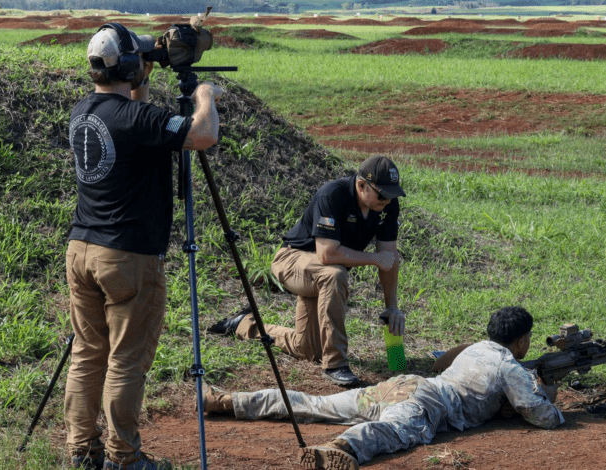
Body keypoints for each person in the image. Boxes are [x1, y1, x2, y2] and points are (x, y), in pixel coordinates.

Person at [65, 23, 223, 470]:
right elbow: (203, 135)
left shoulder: (84, 111)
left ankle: (83, 452)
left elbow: (131, 114)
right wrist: (204, 94)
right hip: (128, 257)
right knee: (126, 362)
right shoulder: (140, 120)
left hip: (81, 249)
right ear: (130, 66)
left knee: (87, 355)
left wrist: (143, 70)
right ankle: (124, 458)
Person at [201, 306, 565, 470]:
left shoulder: (476, 348)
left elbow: (441, 365)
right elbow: (541, 416)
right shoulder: (509, 365)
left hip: (403, 384)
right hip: (426, 402)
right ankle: (342, 447)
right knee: (393, 431)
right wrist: (552, 392)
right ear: (520, 342)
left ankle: (229, 400)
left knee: (317, 404)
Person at [208, 155, 407, 387]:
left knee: (307, 349)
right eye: (382, 193)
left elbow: (389, 258)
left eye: (392, 193)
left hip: (320, 272)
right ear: (362, 185)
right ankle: (336, 364)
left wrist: (391, 306)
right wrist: (374, 259)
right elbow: (327, 254)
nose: (388, 199)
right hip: (292, 261)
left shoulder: (386, 205)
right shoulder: (332, 195)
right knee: (335, 274)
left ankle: (244, 324)